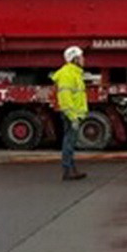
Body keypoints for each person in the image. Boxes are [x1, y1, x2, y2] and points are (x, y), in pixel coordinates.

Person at [51, 45, 89, 181]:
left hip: (74, 115)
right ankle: (67, 170)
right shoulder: (67, 74)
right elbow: (65, 98)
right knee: (69, 142)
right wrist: (73, 117)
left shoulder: (74, 73)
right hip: (71, 115)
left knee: (71, 142)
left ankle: (71, 169)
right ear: (74, 59)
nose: (84, 59)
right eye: (81, 57)